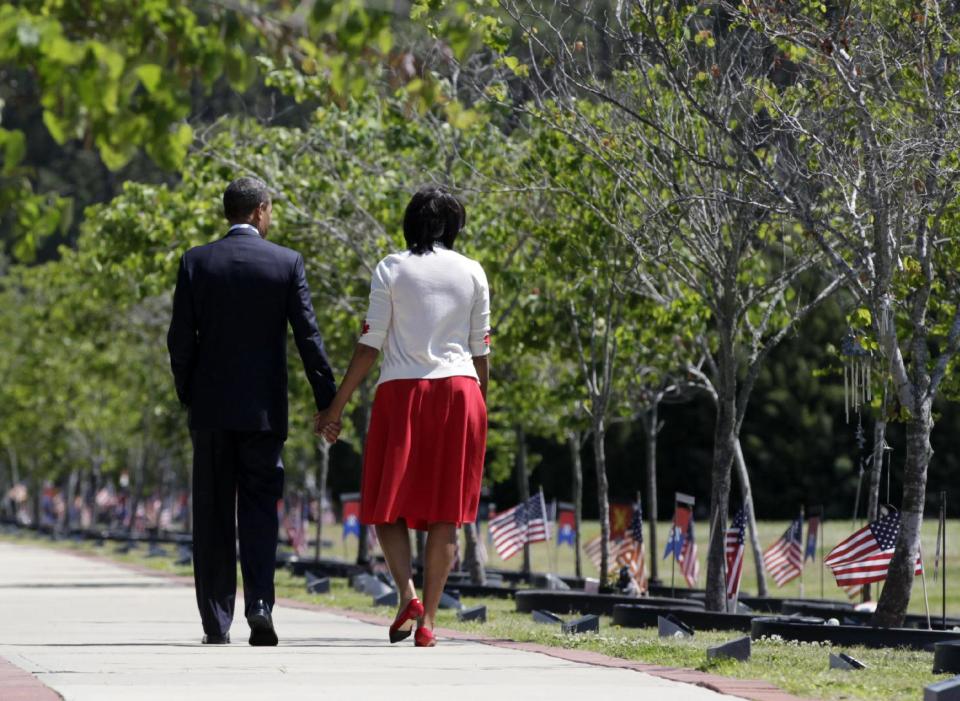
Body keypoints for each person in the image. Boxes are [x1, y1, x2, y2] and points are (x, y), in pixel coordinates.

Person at [314, 186, 490, 648]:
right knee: (446, 512)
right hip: (461, 392)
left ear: (410, 224)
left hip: (401, 392)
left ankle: (407, 595)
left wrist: (336, 406)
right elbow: (481, 350)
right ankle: (428, 620)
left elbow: (370, 343)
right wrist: (481, 409)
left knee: (382, 502)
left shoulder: (391, 267)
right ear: (454, 226)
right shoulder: (473, 271)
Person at [167, 177, 337, 646]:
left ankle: (215, 622)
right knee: (260, 511)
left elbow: (180, 341)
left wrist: (190, 394)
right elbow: (309, 338)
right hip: (264, 415)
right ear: (261, 211)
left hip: (212, 412)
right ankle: (260, 605)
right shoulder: (286, 263)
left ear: (230, 213)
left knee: (213, 515)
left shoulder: (196, 262)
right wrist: (329, 402)